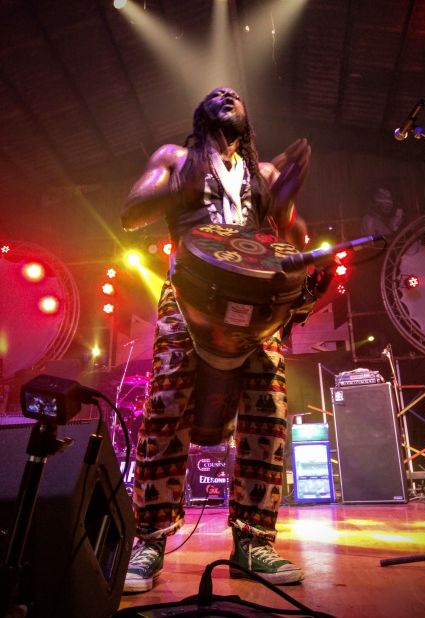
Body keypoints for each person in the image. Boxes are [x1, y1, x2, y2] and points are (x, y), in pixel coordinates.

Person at [120, 87, 314, 593]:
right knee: (166, 406)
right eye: (215, 93)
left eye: (235, 93)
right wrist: (189, 180)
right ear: (199, 115)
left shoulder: (265, 174)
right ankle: (150, 539)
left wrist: (286, 199)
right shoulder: (175, 158)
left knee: (267, 412)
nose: (227, 92)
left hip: (256, 302)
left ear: (247, 120)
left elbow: (294, 241)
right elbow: (132, 211)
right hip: (188, 292)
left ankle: (253, 542)